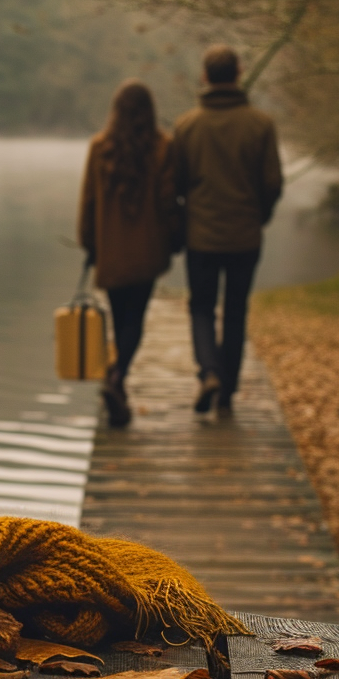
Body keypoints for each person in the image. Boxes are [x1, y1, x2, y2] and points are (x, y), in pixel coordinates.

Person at [173, 45, 282, 416]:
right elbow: (272, 183)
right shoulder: (261, 125)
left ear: (205, 77)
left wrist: (185, 219)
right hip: (245, 236)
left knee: (201, 309)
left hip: (201, 236)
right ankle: (228, 392)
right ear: (239, 73)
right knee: (235, 312)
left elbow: (175, 184)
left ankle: (208, 373)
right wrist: (259, 215)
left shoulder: (186, 126)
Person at [79, 79, 179, 427]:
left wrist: (89, 243)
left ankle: (116, 379)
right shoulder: (163, 148)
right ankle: (118, 377)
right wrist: (175, 241)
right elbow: (169, 203)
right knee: (135, 321)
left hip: (111, 252)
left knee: (120, 317)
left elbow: (88, 202)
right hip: (147, 252)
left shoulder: (99, 148)